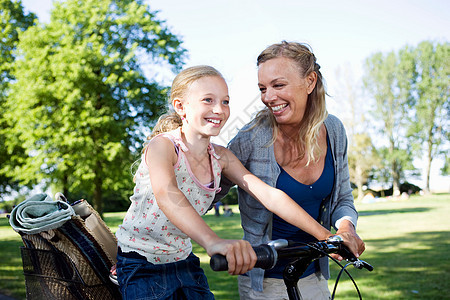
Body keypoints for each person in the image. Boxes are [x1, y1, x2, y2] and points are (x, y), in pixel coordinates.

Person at [115, 65, 336, 299]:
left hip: (183, 259)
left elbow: (269, 195)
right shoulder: (164, 146)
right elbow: (167, 194)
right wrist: (213, 242)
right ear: (181, 107)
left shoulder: (221, 157)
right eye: (208, 100)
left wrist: (326, 235)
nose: (219, 109)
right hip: (140, 262)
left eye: (225, 102)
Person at [215, 41, 366, 299]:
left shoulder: (334, 131)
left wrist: (345, 229)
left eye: (278, 85)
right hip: (264, 280)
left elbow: (342, 198)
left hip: (313, 273)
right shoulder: (251, 138)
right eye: (262, 88)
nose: (267, 97)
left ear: (310, 82)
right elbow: (208, 193)